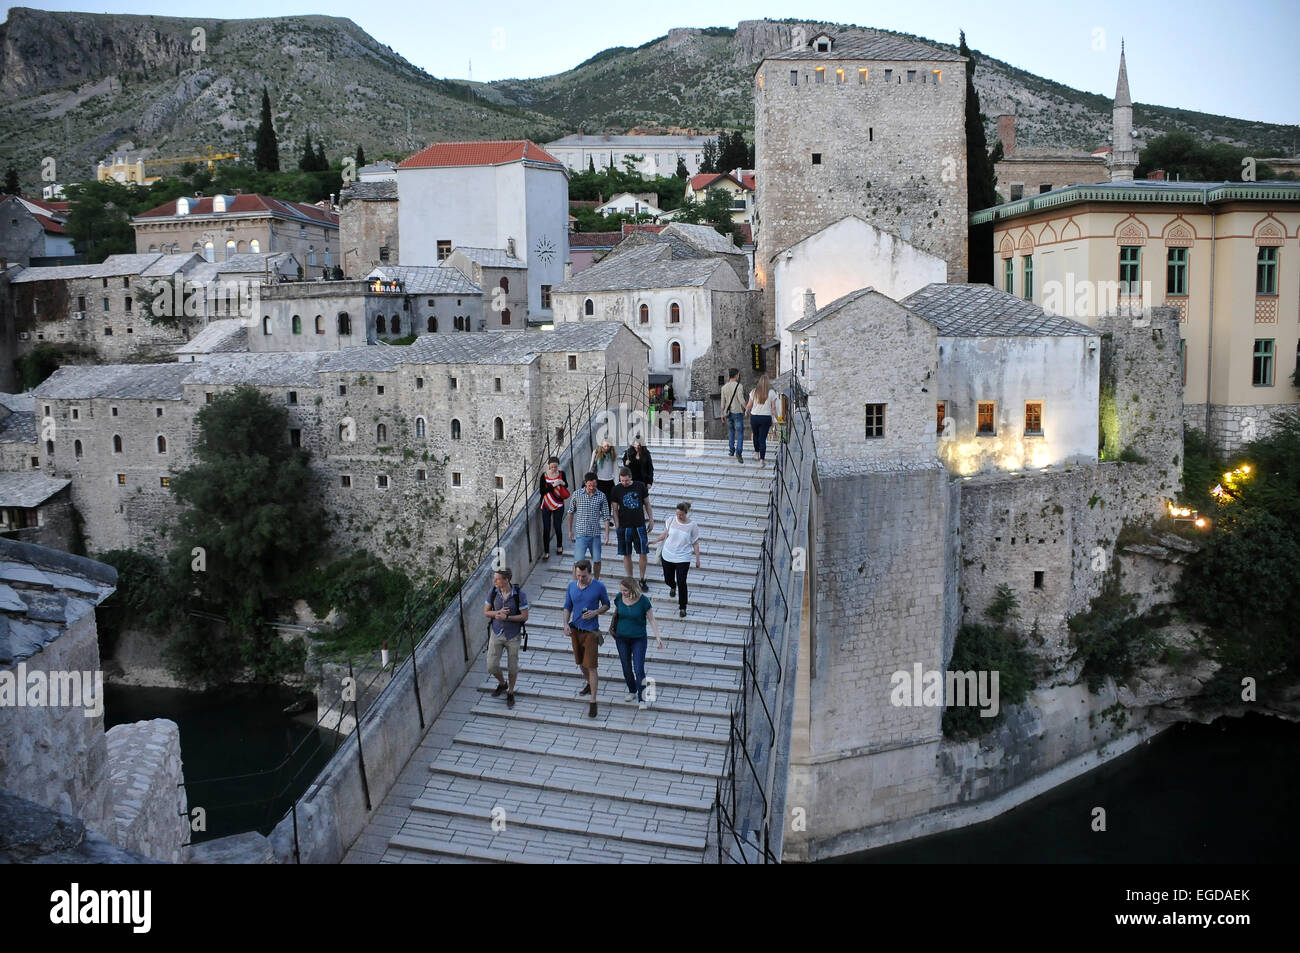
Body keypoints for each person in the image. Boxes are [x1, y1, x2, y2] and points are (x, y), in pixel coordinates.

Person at [564, 559, 610, 718]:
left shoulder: (598, 586)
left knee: (591, 665)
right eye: (578, 575)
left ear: (589, 572)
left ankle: (593, 701)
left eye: (583, 576)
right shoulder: (571, 586)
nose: (580, 579)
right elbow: (567, 606)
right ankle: (590, 684)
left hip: (591, 631)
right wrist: (565, 624)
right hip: (575, 630)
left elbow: (606, 604)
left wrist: (595, 612)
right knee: (580, 663)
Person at [610, 577, 664, 710]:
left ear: (633, 589)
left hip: (638, 638)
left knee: (639, 668)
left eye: (625, 590)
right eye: (621, 590)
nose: (623, 593)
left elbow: (651, 619)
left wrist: (658, 637)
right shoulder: (619, 597)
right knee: (626, 667)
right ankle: (632, 690)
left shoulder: (643, 601)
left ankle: (643, 698)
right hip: (621, 638)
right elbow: (617, 613)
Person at [482, 568, 529, 709]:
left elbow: (524, 616)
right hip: (496, 633)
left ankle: (510, 691)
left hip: (513, 635)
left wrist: (507, 617)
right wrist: (497, 613)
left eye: (497, 579)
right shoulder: (493, 592)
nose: (494, 581)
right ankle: (503, 683)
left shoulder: (519, 595)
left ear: (506, 580)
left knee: (512, 666)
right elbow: (486, 612)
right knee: (491, 666)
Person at [652, 501, 702, 618]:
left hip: (683, 557)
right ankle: (672, 586)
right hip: (668, 555)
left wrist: (698, 559)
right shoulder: (671, 520)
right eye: (677, 514)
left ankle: (683, 607)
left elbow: (695, 543)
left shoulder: (692, 525)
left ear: (686, 513)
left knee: (682, 582)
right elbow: (665, 534)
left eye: (681, 515)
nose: (679, 516)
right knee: (668, 579)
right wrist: (654, 541)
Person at [611, 466, 654, 590]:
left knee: (643, 553)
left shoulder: (640, 486)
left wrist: (651, 520)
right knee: (627, 554)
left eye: (627, 481)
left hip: (639, 524)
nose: (624, 483)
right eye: (622, 480)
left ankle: (642, 579)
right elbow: (614, 509)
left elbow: (647, 504)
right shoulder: (616, 489)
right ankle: (630, 579)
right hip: (624, 526)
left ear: (631, 478)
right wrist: (617, 524)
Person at [566, 471, 611, 578]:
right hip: (581, 533)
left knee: (597, 560)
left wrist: (607, 534)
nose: (591, 487)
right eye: (589, 485)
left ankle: (596, 581)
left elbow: (606, 516)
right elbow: (570, 512)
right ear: (585, 483)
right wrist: (570, 531)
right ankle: (575, 584)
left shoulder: (601, 496)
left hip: (595, 534)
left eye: (594, 485)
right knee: (577, 562)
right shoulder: (577, 494)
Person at [538, 456, 568, 560]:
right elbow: (542, 491)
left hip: (559, 504)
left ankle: (559, 546)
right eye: (552, 467)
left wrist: (562, 482)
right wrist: (554, 485)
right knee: (546, 528)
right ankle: (546, 551)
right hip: (546, 504)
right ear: (549, 466)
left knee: (557, 526)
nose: (554, 469)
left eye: (555, 467)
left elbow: (566, 485)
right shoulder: (544, 476)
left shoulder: (561, 474)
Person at [745, 374, 777, 468]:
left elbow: (749, 405)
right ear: (768, 382)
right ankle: (762, 460)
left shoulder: (754, 392)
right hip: (766, 418)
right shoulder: (772, 392)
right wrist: (777, 417)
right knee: (762, 438)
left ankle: (756, 453)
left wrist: (746, 411)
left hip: (755, 417)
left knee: (756, 435)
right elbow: (773, 408)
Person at [590, 438, 619, 525]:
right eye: (605, 445)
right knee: (596, 501)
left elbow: (616, 469)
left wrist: (617, 483)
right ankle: (594, 519)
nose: (606, 447)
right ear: (602, 445)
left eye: (608, 446)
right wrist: (589, 480)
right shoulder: (596, 453)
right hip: (598, 481)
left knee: (608, 501)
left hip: (609, 481)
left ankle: (607, 519)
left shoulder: (612, 455)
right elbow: (591, 466)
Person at [721, 368, 746, 462]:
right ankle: (739, 453)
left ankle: (731, 450)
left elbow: (722, 403)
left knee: (731, 431)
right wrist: (747, 408)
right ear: (736, 375)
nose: (738, 376)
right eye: (738, 375)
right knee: (740, 432)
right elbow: (741, 399)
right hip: (737, 412)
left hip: (727, 413)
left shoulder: (724, 387)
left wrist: (722, 414)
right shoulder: (739, 386)